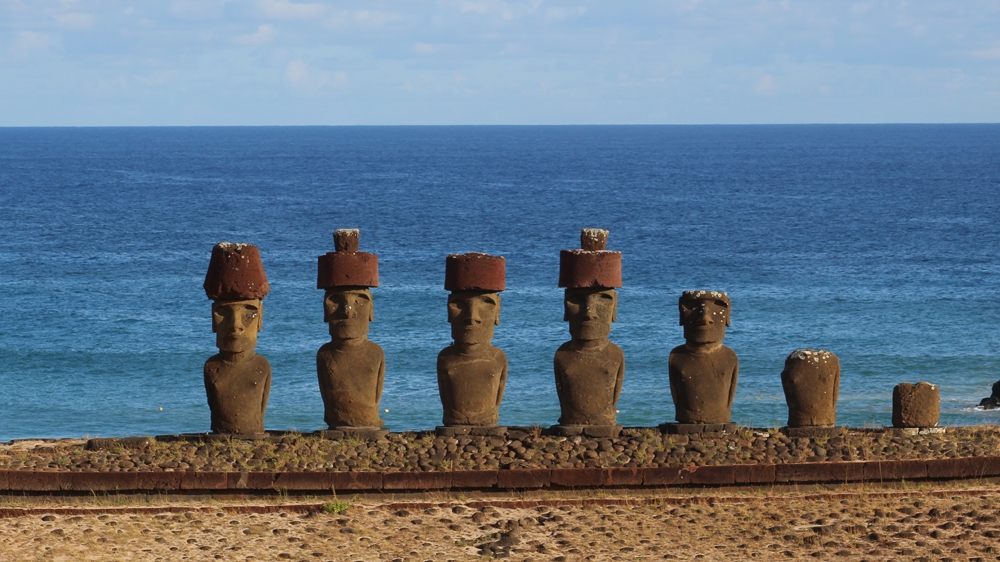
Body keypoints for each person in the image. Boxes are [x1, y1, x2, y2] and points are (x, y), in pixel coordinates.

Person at [316, 230, 385, 428]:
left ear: (371, 310)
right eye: (335, 301)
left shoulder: (375, 353)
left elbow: (376, 393)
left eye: (360, 300)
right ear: (325, 310)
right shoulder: (325, 354)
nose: (347, 311)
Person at [202, 242, 271, 435]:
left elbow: (262, 406)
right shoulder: (211, 366)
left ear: (260, 319)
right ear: (213, 318)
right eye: (223, 313)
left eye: (249, 313)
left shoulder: (261, 366)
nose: (235, 325)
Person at [437, 253, 508, 427]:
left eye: (486, 303)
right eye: (459, 304)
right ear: (448, 310)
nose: (472, 317)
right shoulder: (445, 358)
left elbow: (497, 397)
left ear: (498, 311)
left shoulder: (498, 358)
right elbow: (445, 397)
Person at [668, 291, 739, 425]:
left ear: (728, 315)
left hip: (721, 419)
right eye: (691, 306)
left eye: (718, 307)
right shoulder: (676, 356)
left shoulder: (730, 357)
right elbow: (676, 393)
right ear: (681, 315)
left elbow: (730, 393)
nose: (705, 318)